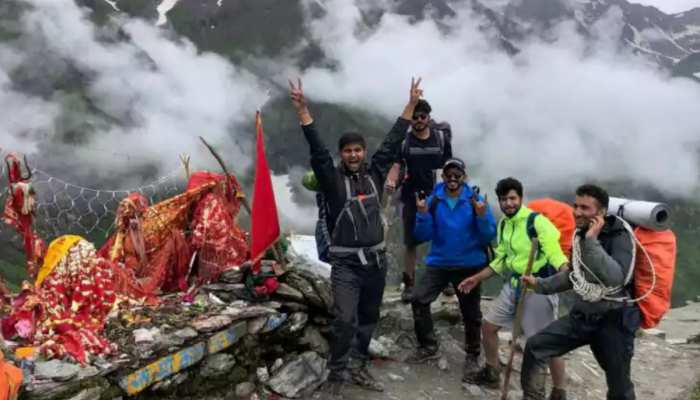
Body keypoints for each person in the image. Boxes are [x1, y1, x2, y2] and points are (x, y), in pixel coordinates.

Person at [289, 77, 422, 397]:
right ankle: (337, 372)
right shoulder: (332, 182)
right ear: (342, 154)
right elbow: (319, 153)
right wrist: (304, 113)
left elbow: (391, 143)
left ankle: (359, 364)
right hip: (346, 265)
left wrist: (411, 107)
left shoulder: (375, 173)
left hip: (375, 261)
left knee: (368, 316)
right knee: (345, 318)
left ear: (364, 152)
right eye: (348, 151)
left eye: (358, 150)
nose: (353, 155)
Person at [519, 184, 639, 400]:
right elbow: (575, 276)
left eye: (585, 208)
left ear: (601, 212)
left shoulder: (620, 236)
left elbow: (615, 278)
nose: (577, 212)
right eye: (576, 206)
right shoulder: (580, 234)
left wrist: (592, 241)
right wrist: (540, 284)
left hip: (614, 317)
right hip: (584, 314)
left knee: (619, 385)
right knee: (536, 346)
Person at [459, 177, 568, 399]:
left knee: (545, 342)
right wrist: (477, 278)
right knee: (488, 327)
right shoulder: (504, 224)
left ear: (520, 198)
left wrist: (566, 272)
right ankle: (492, 372)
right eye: (504, 200)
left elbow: (555, 253)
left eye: (512, 198)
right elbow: (501, 259)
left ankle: (559, 390)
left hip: (538, 285)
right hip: (515, 284)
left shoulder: (536, 222)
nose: (508, 204)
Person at [405, 158, 496, 380]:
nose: (453, 179)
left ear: (464, 177)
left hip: (469, 265)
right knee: (419, 299)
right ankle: (428, 346)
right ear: (443, 177)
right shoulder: (434, 200)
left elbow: (489, 235)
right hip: (439, 263)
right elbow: (422, 236)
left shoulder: (475, 200)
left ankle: (473, 354)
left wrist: (482, 216)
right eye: (449, 175)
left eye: (457, 175)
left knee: (471, 312)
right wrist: (423, 214)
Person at [390, 99, 453, 302]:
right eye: (414, 117)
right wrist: (391, 180)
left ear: (428, 117)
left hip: (437, 195)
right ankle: (409, 285)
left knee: (442, 236)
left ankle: (446, 282)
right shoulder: (404, 142)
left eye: (422, 117)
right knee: (411, 241)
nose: (418, 120)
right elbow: (397, 165)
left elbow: (449, 166)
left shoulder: (441, 139)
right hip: (411, 196)